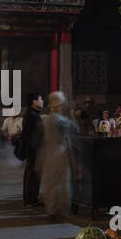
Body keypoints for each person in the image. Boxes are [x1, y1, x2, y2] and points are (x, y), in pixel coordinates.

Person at [40, 91, 79, 221]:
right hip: (60, 152)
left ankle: (51, 210)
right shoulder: (60, 120)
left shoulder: (47, 119)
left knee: (51, 183)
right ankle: (61, 211)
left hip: (49, 152)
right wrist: (72, 115)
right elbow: (75, 129)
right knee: (62, 182)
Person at [20, 93, 45, 206]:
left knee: (32, 174)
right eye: (40, 99)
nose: (42, 101)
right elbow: (29, 134)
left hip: (33, 148)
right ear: (34, 102)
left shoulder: (32, 114)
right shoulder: (32, 115)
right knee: (33, 175)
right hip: (34, 149)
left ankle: (30, 198)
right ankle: (30, 199)